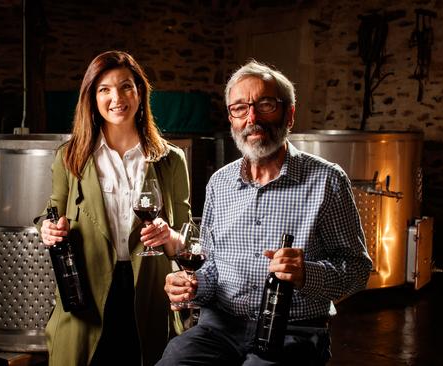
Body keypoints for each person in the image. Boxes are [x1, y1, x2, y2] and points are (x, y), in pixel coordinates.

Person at [158, 60, 373, 365]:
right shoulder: (220, 183)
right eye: (240, 108)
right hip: (219, 328)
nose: (252, 118)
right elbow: (211, 267)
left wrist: (306, 273)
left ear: (290, 114)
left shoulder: (327, 180)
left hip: (293, 332)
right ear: (231, 119)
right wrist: (191, 285)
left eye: (266, 104)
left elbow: (357, 270)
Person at [37, 50, 191, 366]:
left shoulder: (171, 160)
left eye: (125, 86)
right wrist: (47, 228)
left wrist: (168, 235)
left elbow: (186, 240)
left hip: (149, 293)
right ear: (91, 97)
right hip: (86, 298)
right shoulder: (70, 157)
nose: (116, 97)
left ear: (140, 92)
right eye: (104, 89)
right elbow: (51, 212)